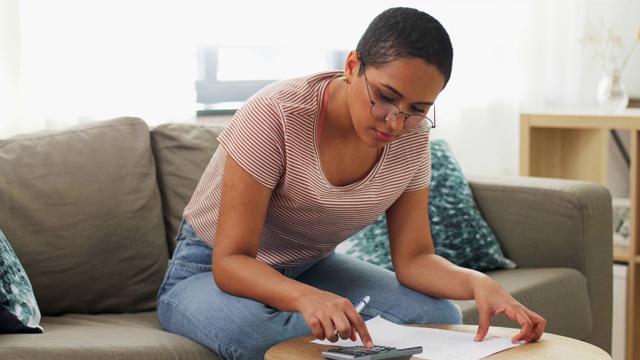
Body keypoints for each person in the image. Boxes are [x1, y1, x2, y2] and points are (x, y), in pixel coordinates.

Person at [157, 7, 546, 360]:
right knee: (259, 334)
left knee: (438, 315)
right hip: (207, 270)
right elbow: (231, 262)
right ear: (352, 64)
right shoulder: (276, 114)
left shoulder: (412, 138)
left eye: (418, 110)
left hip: (312, 266)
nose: (395, 123)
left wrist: (477, 283)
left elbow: (414, 259)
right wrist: (308, 299)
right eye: (385, 96)